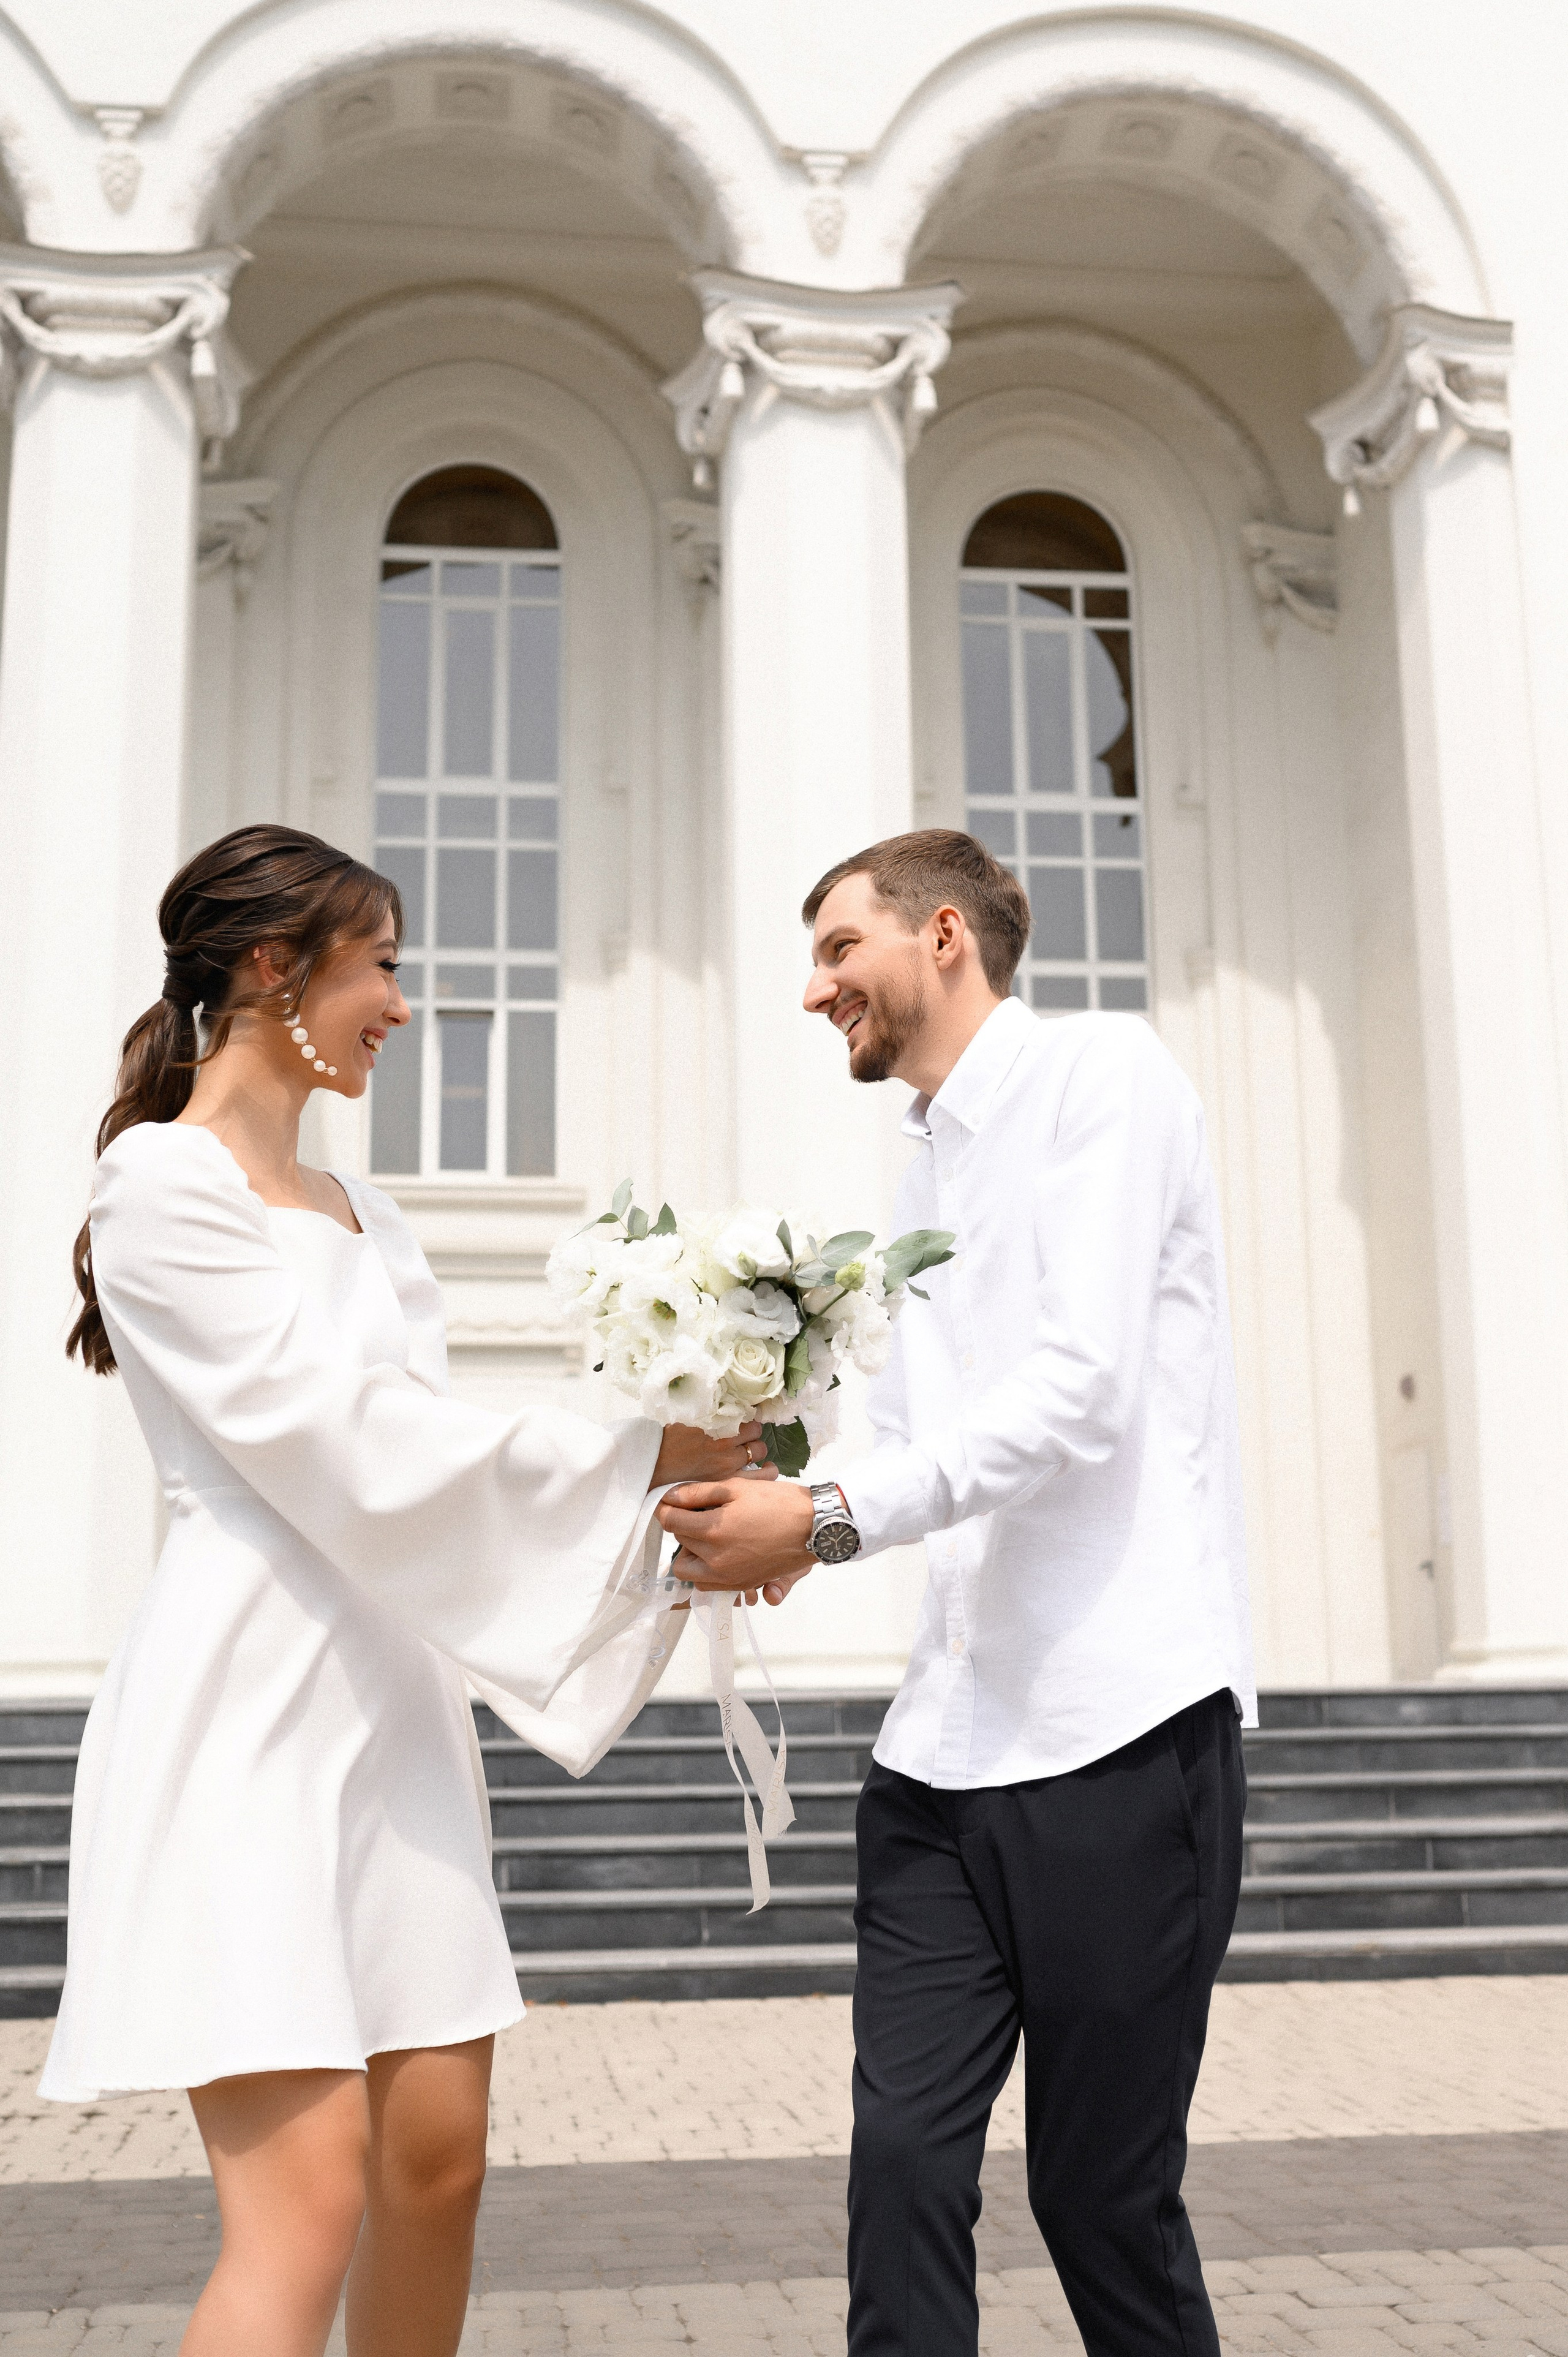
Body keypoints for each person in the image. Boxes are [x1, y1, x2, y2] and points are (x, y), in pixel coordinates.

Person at [42, 824, 767, 2357]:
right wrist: (628, 1458)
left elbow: (427, 1476)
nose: (401, 1002)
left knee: (434, 2166)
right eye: (381, 966)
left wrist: (676, 1515)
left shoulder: (373, 1217)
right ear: (271, 968)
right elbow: (340, 1441)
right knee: (305, 2200)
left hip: (393, 1711)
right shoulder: (158, 1181)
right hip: (244, 1708)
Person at [658, 828, 1257, 2357]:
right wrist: (788, 1517)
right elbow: (925, 1447)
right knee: (903, 2174)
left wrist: (831, 1515)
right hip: (941, 1756)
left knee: (1099, 2196)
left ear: (940, 935)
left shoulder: (1102, 1082)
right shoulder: (919, 1160)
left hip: (1120, 1730)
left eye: (834, 948)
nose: (812, 990)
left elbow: (1080, 1394)